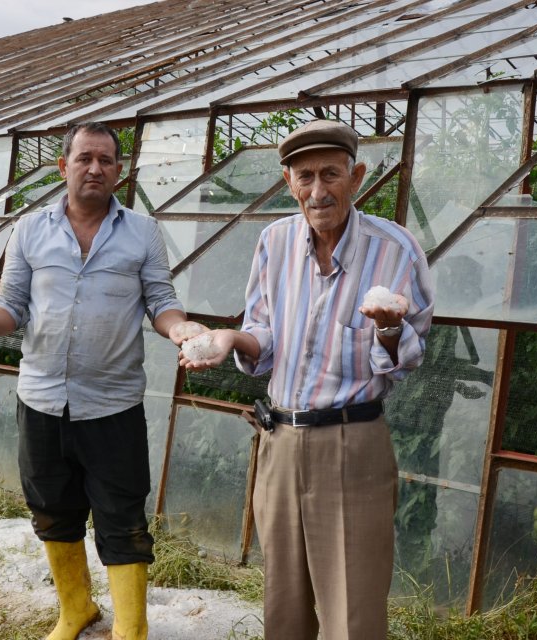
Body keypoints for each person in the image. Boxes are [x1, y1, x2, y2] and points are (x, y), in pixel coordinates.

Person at [0, 122, 199, 640]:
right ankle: (76, 610)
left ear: (119, 171)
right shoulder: (31, 229)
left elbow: (160, 302)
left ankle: (132, 626)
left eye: (106, 160)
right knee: (53, 509)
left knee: (121, 512)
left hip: (112, 402)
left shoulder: (143, 232)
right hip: (40, 399)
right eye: (84, 158)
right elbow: (11, 303)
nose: (95, 169)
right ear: (64, 166)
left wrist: (183, 329)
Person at [180, 120, 435, 640]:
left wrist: (388, 328)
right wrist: (232, 339)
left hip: (351, 442)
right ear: (288, 183)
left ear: (356, 176)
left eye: (330, 175)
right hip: (278, 442)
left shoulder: (396, 250)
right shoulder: (273, 242)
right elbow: (264, 335)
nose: (318, 191)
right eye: (304, 178)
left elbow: (408, 357)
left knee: (352, 613)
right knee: (284, 604)